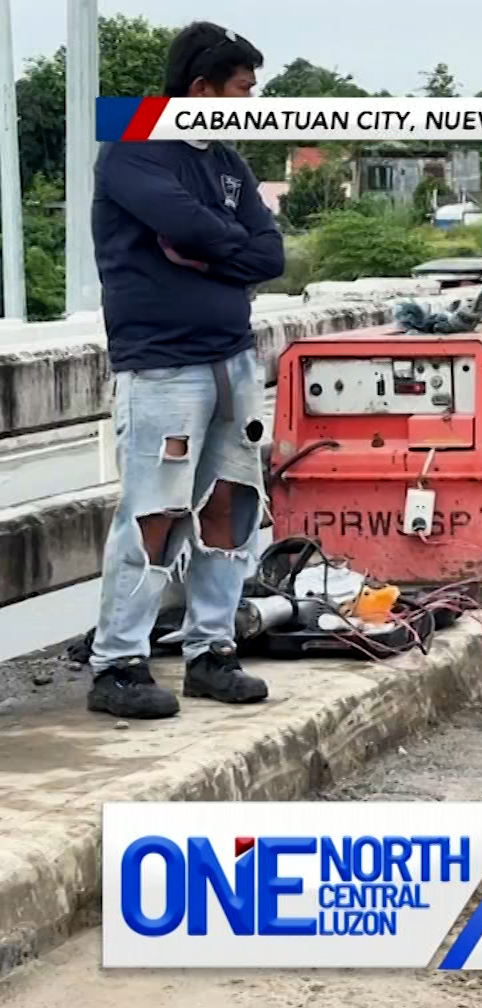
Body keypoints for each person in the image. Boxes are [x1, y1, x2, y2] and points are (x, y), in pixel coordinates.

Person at [86, 22, 282, 720]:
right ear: (200, 90)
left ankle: (211, 652)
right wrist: (221, 246)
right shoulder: (135, 148)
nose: (249, 102)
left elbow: (270, 254)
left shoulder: (225, 162)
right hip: (163, 365)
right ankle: (119, 663)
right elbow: (195, 230)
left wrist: (211, 251)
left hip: (232, 357)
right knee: (156, 512)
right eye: (240, 89)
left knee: (231, 506)